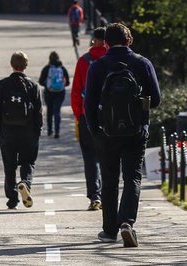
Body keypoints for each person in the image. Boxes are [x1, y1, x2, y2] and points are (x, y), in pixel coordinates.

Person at [83, 23, 161, 248]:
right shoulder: (142, 63)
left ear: (105, 44)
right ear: (129, 40)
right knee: (133, 176)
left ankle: (109, 230)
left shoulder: (98, 66)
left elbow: (89, 103)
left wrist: (94, 129)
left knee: (108, 180)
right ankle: (127, 222)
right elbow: (155, 100)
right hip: (136, 131)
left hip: (106, 132)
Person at [0, 51, 42, 209]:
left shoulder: (2, 85)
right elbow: (38, 111)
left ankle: (12, 199)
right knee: (28, 162)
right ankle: (25, 183)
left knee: (9, 165)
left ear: (12, 65)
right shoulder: (33, 86)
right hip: (28, 131)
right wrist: (37, 130)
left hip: (7, 130)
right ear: (26, 65)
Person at [71, 27, 107, 211]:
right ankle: (110, 194)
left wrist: (79, 115)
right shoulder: (112, 59)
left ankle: (95, 195)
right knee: (110, 157)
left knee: (90, 157)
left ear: (94, 39)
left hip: (88, 116)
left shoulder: (84, 61)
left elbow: (76, 90)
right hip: (111, 117)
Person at [38, 51, 69, 139]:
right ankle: (57, 131)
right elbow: (67, 83)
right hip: (60, 93)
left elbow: (40, 81)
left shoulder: (47, 68)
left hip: (49, 93)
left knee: (49, 111)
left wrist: (48, 84)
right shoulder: (62, 68)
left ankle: (49, 130)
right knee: (57, 111)